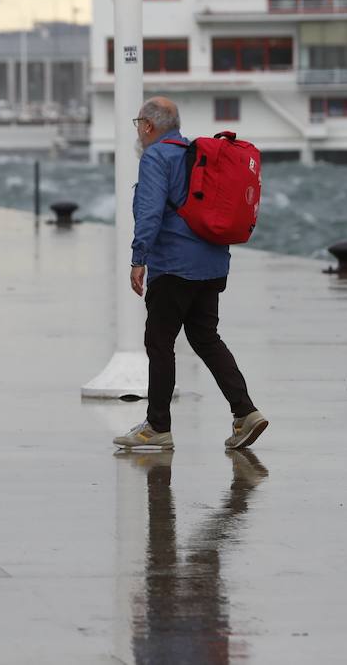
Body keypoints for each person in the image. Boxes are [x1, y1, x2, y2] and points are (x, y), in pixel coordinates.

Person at [114, 97, 268, 451]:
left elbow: (150, 213)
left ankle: (157, 426)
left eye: (138, 122)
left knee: (159, 341)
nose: (137, 129)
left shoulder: (156, 157)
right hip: (212, 264)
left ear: (149, 127)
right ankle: (246, 413)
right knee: (206, 338)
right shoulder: (196, 153)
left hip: (174, 268)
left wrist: (138, 259)